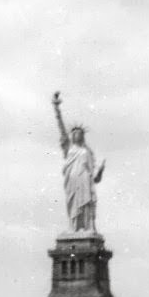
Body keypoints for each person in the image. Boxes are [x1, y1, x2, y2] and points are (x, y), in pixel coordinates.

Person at [52, 92, 105, 232]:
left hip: (85, 179)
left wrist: (100, 170)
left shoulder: (88, 151)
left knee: (87, 202)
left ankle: (89, 226)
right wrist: (56, 108)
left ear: (83, 136)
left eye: (80, 133)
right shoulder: (68, 147)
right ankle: (73, 227)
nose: (77, 135)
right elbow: (61, 128)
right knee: (73, 204)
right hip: (72, 179)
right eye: (74, 133)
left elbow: (96, 178)